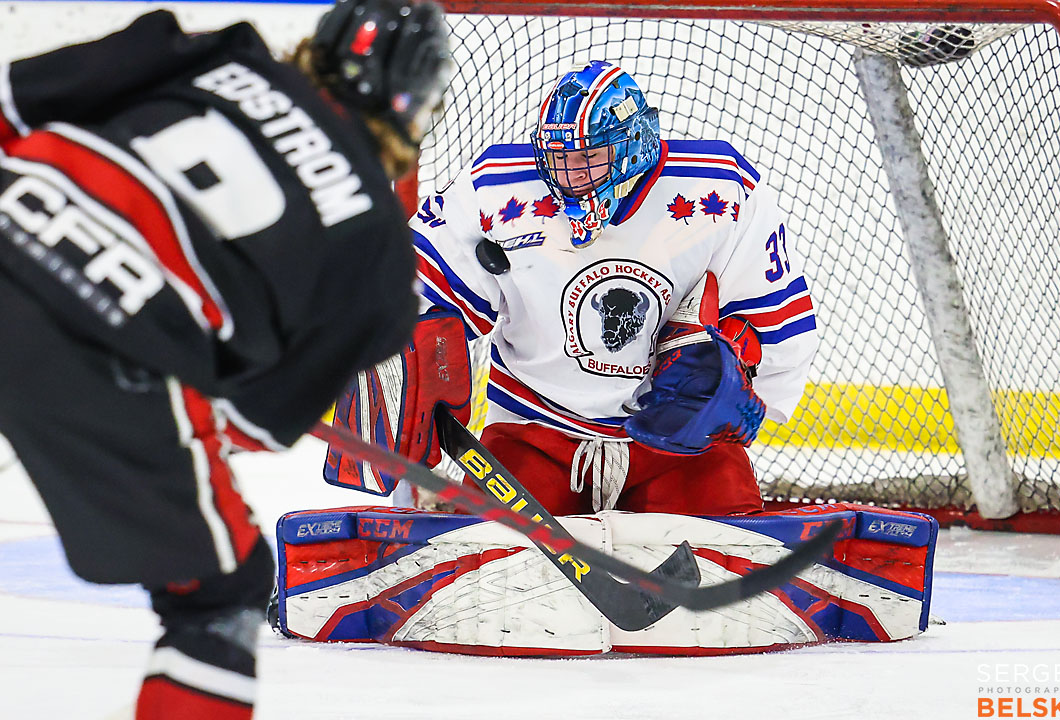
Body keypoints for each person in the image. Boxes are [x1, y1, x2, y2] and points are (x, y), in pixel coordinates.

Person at [0, 1, 449, 718]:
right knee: (223, 594)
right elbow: (252, 424)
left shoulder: (219, 51)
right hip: (113, 344)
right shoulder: (381, 264)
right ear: (412, 104)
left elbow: (13, 106)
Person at [398, 60, 818, 517]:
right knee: (487, 553)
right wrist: (400, 358)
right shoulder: (497, 191)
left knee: (731, 547)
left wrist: (734, 362)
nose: (571, 176)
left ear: (632, 147)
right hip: (535, 431)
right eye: (560, 160)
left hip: (675, 445)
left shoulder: (718, 191)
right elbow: (417, 292)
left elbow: (773, 319)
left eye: (588, 159)